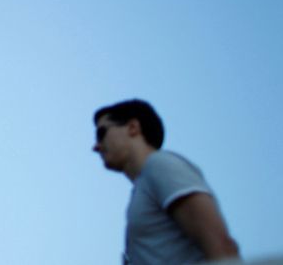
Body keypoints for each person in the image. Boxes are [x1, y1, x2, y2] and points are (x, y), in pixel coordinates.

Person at [92, 99, 239, 264]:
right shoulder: (143, 187)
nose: (95, 146)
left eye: (101, 134)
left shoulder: (160, 165)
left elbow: (220, 245)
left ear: (133, 127)